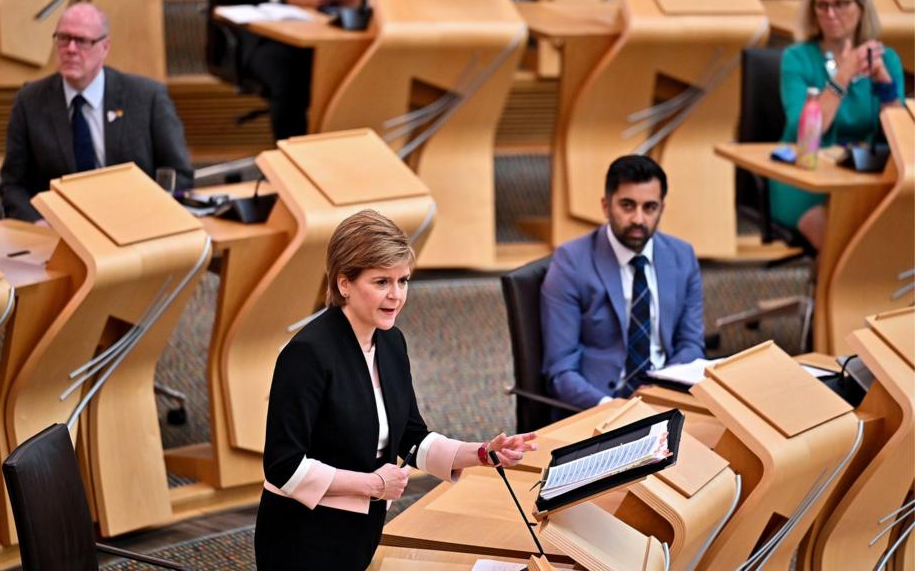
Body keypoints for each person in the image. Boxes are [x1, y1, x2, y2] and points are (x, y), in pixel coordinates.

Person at [254, 209, 537, 570]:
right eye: (381, 282)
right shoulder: (306, 355)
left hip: (361, 530)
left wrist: (481, 453)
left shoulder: (390, 341)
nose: (396, 296)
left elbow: (411, 437)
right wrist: (373, 485)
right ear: (344, 284)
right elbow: (284, 467)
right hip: (303, 539)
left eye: (402, 280)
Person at [0, 2, 193, 223]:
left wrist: (151, 220)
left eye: (81, 41)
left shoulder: (147, 98)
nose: (70, 49)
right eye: (63, 39)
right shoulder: (30, 100)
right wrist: (39, 225)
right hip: (58, 231)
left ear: (105, 47)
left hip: (134, 225)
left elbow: (179, 175)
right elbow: (13, 185)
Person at [540, 155, 705, 411]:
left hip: (665, 399)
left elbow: (691, 345)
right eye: (627, 206)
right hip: (599, 405)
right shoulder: (571, 262)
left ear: (661, 207)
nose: (639, 219)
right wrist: (616, 409)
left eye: (649, 207)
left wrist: (660, 392)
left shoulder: (682, 257)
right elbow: (560, 371)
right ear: (606, 206)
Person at [773, 0, 904, 249]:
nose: (831, 14)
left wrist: (884, 83)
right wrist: (843, 75)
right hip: (802, 177)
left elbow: (900, 137)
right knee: (839, 240)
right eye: (822, 5)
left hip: (861, 176)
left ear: (861, 7)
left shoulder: (886, 59)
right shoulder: (796, 58)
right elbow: (807, 134)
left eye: (841, 3)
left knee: (892, 234)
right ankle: (833, 288)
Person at [207, 0, 361, 140]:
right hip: (259, 39)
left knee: (358, 65)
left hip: (327, 32)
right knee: (290, 75)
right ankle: (293, 156)